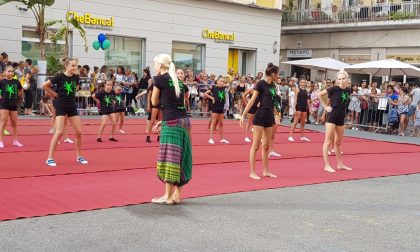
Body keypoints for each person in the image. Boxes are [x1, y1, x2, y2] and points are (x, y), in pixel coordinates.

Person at [151, 54, 192, 205]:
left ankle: (167, 196)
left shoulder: (159, 79)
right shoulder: (178, 81)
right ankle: (177, 195)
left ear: (160, 66)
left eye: (155, 64)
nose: (154, 67)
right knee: (182, 157)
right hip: (184, 121)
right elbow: (177, 104)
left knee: (169, 157)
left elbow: (154, 101)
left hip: (172, 122)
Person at [42, 58, 88, 167]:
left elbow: (75, 89)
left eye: (76, 66)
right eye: (72, 65)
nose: (75, 68)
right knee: (59, 132)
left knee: (79, 132)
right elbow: (44, 86)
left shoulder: (76, 78)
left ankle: (79, 156)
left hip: (71, 105)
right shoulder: (59, 77)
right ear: (66, 66)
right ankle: (50, 158)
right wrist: (55, 95)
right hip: (61, 104)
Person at [240, 63, 279, 180]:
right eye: (277, 74)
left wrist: (277, 114)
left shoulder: (273, 85)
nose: (278, 77)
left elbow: (274, 102)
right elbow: (252, 100)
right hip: (260, 116)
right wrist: (243, 115)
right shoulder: (261, 84)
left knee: (266, 145)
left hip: (269, 116)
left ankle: (266, 170)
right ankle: (252, 171)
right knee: (256, 145)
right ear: (273, 74)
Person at [318, 70, 352, 173]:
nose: (341, 81)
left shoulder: (348, 90)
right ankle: (326, 165)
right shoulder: (333, 89)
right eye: (340, 79)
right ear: (337, 80)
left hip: (341, 118)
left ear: (347, 80)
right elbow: (319, 95)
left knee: (338, 142)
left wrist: (347, 114)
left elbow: (345, 104)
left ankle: (340, 164)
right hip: (332, 117)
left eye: (343, 79)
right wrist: (325, 107)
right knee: (328, 141)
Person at [0, 65, 24, 148]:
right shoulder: (2, 81)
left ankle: (15, 140)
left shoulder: (16, 82)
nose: (10, 73)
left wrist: (18, 95)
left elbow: (21, 89)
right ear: (5, 72)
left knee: (14, 123)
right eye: (8, 71)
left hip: (13, 104)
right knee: (3, 122)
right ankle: (1, 141)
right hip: (4, 104)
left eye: (12, 71)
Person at [205, 76, 229, 144]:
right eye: (220, 81)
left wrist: (224, 84)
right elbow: (205, 93)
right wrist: (212, 98)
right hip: (215, 107)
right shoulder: (214, 88)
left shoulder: (224, 88)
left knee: (221, 123)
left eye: (223, 81)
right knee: (213, 122)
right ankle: (211, 138)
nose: (222, 83)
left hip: (221, 107)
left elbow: (229, 85)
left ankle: (222, 139)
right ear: (217, 81)